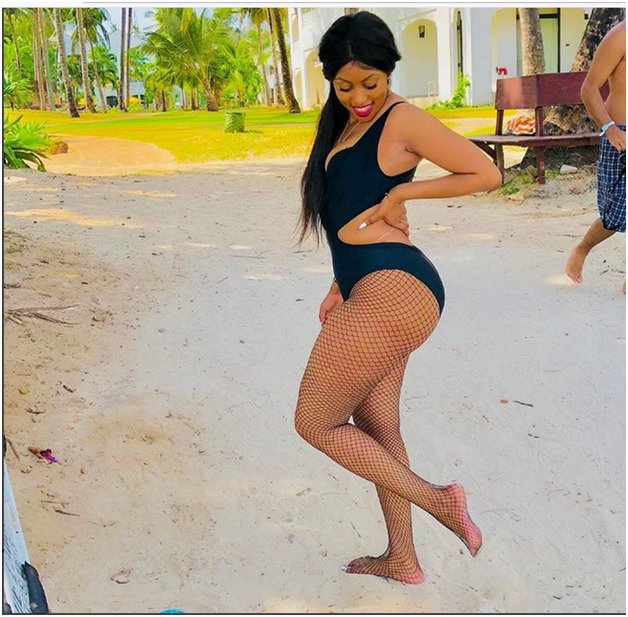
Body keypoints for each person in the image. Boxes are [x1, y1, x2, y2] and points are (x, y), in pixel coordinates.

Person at [294, 11, 502, 584]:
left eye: (371, 83)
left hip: (395, 289)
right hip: (373, 286)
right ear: (331, 81)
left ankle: (441, 501)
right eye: (345, 86)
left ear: (389, 71)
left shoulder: (402, 118)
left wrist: (405, 194)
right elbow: (347, 211)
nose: (359, 97)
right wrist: (339, 285)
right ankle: (403, 560)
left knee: (314, 421)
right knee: (377, 426)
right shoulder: (344, 125)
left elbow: (485, 173)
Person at [565, 19, 626, 293]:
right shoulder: (620, 36)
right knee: (615, 214)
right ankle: (583, 248)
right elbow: (589, 89)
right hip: (620, 135)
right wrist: (609, 128)